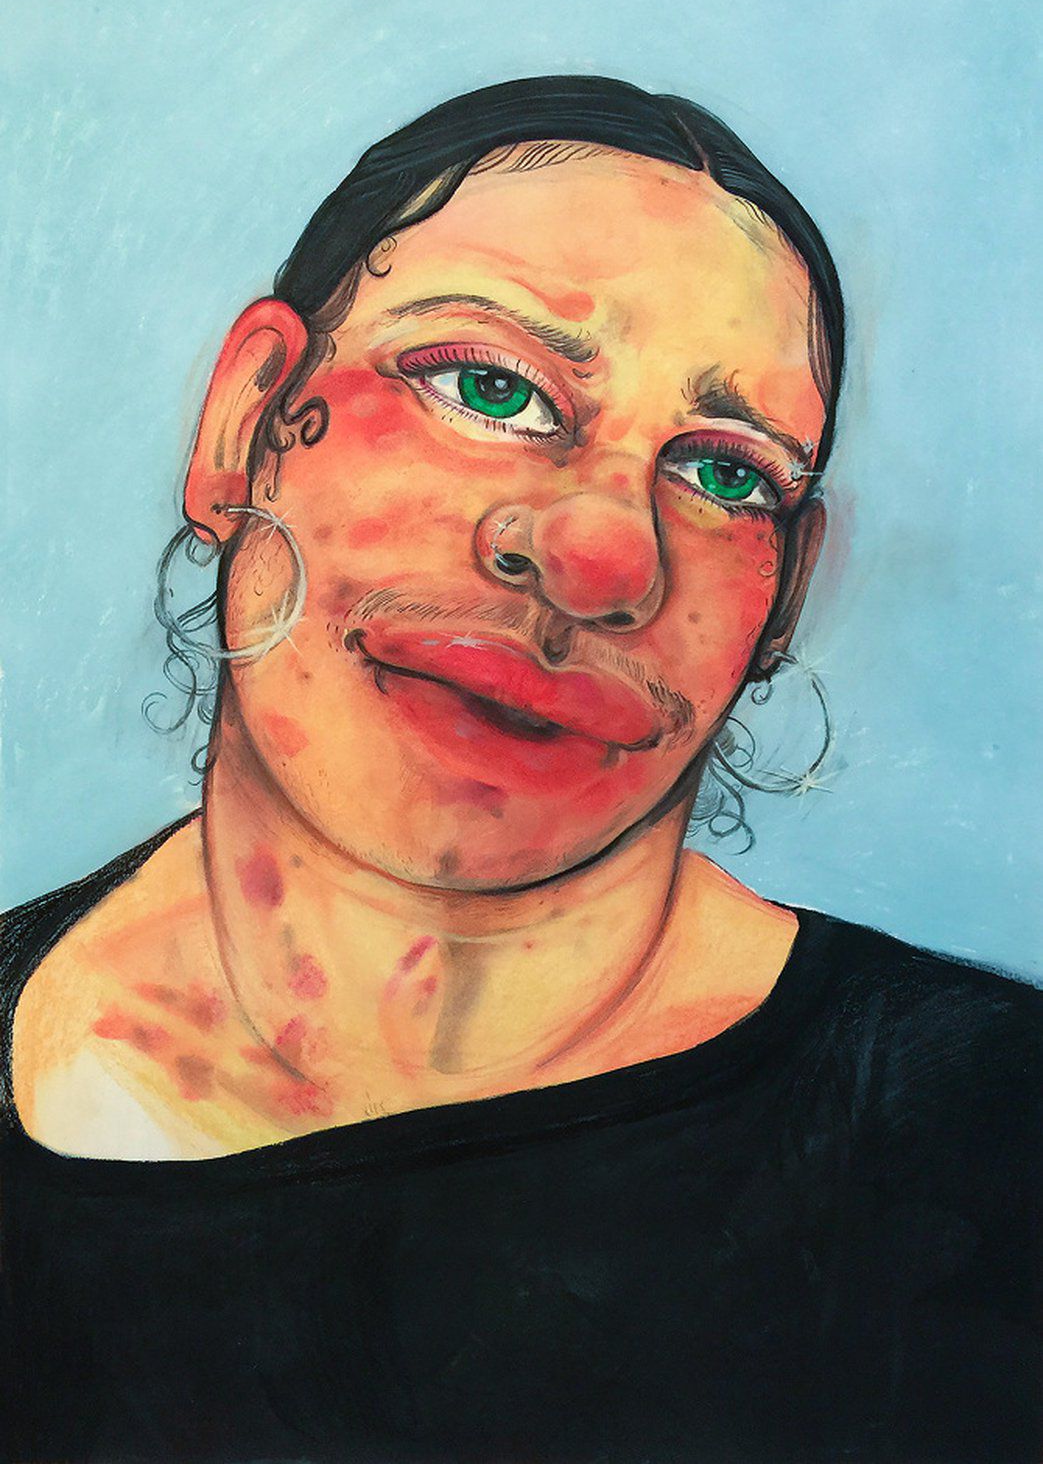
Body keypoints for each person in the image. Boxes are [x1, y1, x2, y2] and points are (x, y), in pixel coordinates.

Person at [1, 76, 1038, 1463]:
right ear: (246, 424)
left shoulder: (988, 1143)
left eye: (725, 475)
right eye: (491, 387)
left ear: (784, 599)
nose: (603, 557)